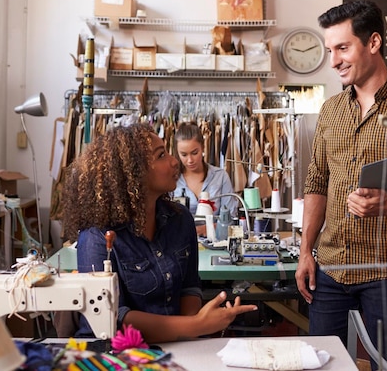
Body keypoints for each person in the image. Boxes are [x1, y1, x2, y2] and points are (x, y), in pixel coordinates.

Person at [294, 0, 387, 371]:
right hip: (330, 266)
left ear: (374, 42)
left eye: (342, 48)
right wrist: (305, 252)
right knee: (323, 363)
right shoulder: (331, 110)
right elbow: (317, 181)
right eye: (330, 50)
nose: (333, 61)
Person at [62, 123, 256, 342]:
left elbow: (189, 287)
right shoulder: (97, 236)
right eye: (161, 155)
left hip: (175, 346)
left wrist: (195, 326)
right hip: (116, 352)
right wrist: (195, 325)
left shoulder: (180, 219)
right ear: (133, 173)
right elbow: (113, 316)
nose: (175, 161)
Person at [173, 122, 238, 236]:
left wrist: (203, 230)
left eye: (194, 153)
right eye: (184, 155)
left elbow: (231, 220)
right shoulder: (172, 180)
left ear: (203, 147)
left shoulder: (220, 177)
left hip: (216, 244)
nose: (190, 160)